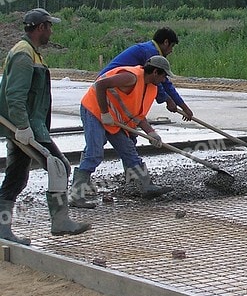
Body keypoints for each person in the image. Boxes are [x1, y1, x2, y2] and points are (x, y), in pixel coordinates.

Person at [0, 8, 90, 244]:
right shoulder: (24, 55)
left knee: (16, 177)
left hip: (29, 126)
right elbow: (14, 95)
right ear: (41, 27)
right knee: (59, 165)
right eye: (49, 26)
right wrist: (22, 127)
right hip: (27, 128)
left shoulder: (31, 53)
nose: (51, 31)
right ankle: (59, 223)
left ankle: (3, 227)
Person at [70, 55, 175, 204]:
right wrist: (104, 113)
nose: (164, 80)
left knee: (128, 150)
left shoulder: (149, 87)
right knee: (94, 153)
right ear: (155, 72)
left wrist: (151, 133)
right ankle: (75, 195)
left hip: (113, 118)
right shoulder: (131, 77)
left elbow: (137, 115)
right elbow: (100, 85)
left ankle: (147, 187)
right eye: (164, 75)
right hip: (94, 110)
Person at [99, 28, 194, 121]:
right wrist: (168, 100)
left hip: (115, 85)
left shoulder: (150, 49)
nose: (171, 50)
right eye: (172, 46)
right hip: (106, 86)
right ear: (166, 42)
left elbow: (164, 82)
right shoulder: (151, 53)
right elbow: (158, 83)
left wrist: (183, 106)